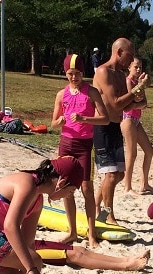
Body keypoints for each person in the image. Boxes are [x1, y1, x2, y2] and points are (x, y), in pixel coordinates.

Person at [51, 53, 110, 247]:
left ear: (83, 73)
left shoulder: (91, 92)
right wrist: (59, 122)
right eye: (70, 73)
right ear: (65, 73)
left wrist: (85, 119)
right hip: (66, 143)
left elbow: (105, 119)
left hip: (85, 145)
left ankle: (91, 234)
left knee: (86, 188)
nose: (74, 77)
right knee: (66, 188)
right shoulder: (61, 94)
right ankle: (72, 232)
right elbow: (53, 123)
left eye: (77, 73)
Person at [92, 37, 149, 225]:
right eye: (129, 55)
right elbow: (115, 102)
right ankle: (109, 215)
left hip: (115, 126)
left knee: (119, 174)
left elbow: (124, 106)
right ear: (118, 52)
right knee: (110, 175)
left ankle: (96, 206)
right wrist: (136, 90)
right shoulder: (103, 71)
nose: (131, 60)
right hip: (103, 128)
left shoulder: (119, 75)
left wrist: (139, 95)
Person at [121, 57, 153, 196]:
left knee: (149, 150)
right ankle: (127, 187)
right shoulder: (128, 81)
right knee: (132, 153)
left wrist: (136, 102)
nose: (138, 69)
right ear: (129, 67)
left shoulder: (139, 83)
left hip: (136, 119)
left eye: (140, 67)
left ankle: (144, 184)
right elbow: (132, 100)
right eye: (135, 67)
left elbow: (144, 103)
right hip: (128, 119)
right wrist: (136, 102)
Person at [35, 239, 150, 271]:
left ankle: (125, 260)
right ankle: (125, 266)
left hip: (29, 242)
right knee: (74, 255)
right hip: (25, 249)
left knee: (80, 249)